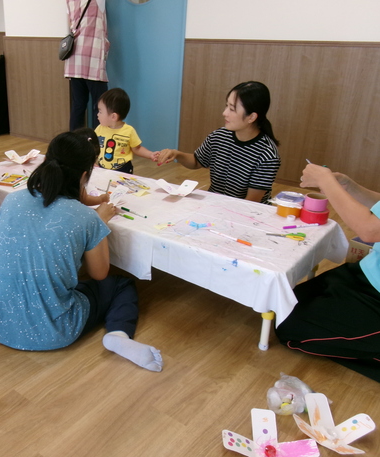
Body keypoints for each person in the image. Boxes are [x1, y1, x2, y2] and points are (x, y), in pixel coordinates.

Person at [0, 132, 163, 372]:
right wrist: (99, 221)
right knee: (121, 285)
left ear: (46, 162)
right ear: (84, 176)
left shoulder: (13, 200)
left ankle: (1, 304)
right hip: (56, 330)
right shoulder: (86, 218)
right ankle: (118, 334)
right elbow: (99, 273)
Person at [275, 165, 380, 382]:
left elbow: (370, 230)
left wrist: (326, 181)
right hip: (368, 272)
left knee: (289, 328)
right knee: (284, 303)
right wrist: (351, 187)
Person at [156, 81, 281, 204]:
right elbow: (197, 161)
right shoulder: (219, 135)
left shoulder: (267, 155)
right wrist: (177, 154)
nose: (224, 113)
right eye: (226, 106)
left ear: (251, 117)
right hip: (215, 204)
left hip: (243, 211)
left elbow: (250, 203)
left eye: (232, 109)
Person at [64, 0, 109, 131]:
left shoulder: (69, 1)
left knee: (78, 105)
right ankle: (97, 140)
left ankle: (74, 140)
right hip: (93, 58)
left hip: (74, 59)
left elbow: (69, 25)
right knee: (100, 106)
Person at [95, 88, 158, 174]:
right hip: (103, 168)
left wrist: (150, 154)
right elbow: (93, 147)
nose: (97, 114)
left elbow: (137, 149)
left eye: (100, 111)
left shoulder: (129, 131)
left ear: (113, 116)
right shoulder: (99, 128)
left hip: (123, 170)